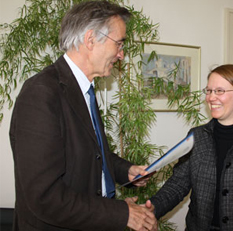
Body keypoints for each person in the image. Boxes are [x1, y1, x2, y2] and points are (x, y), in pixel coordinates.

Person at [9, 1, 157, 231]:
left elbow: (90, 153)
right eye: (118, 43)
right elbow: (44, 196)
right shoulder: (41, 93)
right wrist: (121, 213)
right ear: (90, 40)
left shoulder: (83, 89)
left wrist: (124, 170)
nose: (121, 54)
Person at [148, 64, 233, 230]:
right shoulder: (196, 137)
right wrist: (151, 209)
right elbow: (178, 184)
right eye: (209, 90)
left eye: (219, 91)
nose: (211, 98)